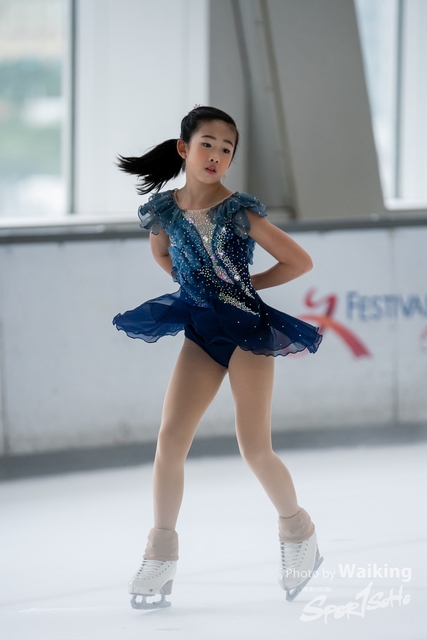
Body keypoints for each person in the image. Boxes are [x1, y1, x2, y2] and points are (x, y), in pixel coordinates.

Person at [113, 106, 323, 609]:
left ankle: (300, 534)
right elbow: (161, 253)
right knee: (170, 441)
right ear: (184, 148)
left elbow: (299, 261)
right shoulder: (163, 211)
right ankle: (160, 555)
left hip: (248, 330)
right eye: (207, 143)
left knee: (254, 448)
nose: (216, 155)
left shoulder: (238, 211)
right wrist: (193, 286)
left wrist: (247, 287)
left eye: (226, 149)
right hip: (202, 334)